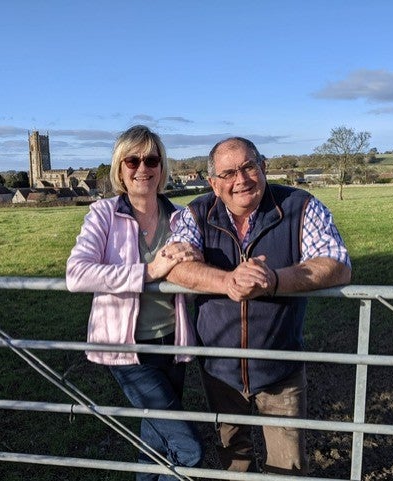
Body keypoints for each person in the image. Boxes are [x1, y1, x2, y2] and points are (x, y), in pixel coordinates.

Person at [166, 136, 351, 475]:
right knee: (234, 462)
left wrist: (274, 280)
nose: (241, 179)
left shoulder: (299, 205)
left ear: (263, 167)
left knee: (288, 466)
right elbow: (175, 264)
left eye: (249, 166)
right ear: (213, 182)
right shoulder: (196, 212)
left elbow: (337, 264)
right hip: (219, 371)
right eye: (228, 173)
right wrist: (227, 282)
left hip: (280, 367)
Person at [66, 125, 204, 480]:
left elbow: (196, 264)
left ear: (162, 167)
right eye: (133, 159)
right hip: (125, 348)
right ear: (120, 168)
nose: (143, 167)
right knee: (188, 447)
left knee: (155, 443)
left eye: (152, 159)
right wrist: (148, 270)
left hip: (171, 342)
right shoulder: (103, 214)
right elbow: (77, 274)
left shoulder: (181, 217)